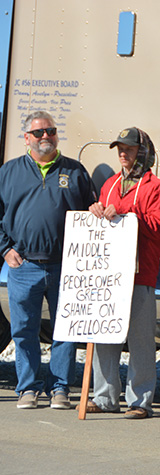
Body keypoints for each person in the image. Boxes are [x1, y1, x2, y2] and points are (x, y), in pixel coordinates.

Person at [0, 111, 96, 409]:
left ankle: (59, 390)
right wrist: (5, 249)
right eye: (39, 133)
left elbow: (90, 208)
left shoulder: (75, 171)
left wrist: (98, 210)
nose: (46, 137)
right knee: (24, 330)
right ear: (26, 138)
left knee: (64, 331)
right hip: (23, 265)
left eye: (50, 132)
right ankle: (27, 389)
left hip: (64, 266)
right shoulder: (9, 172)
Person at [84, 127, 160, 419]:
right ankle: (105, 396)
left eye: (129, 149)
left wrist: (126, 216)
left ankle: (140, 401)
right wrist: (95, 210)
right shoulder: (108, 185)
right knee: (105, 336)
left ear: (142, 152)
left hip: (140, 274)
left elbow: (159, 229)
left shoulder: (154, 187)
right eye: (120, 149)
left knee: (140, 340)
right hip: (109, 277)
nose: (123, 154)